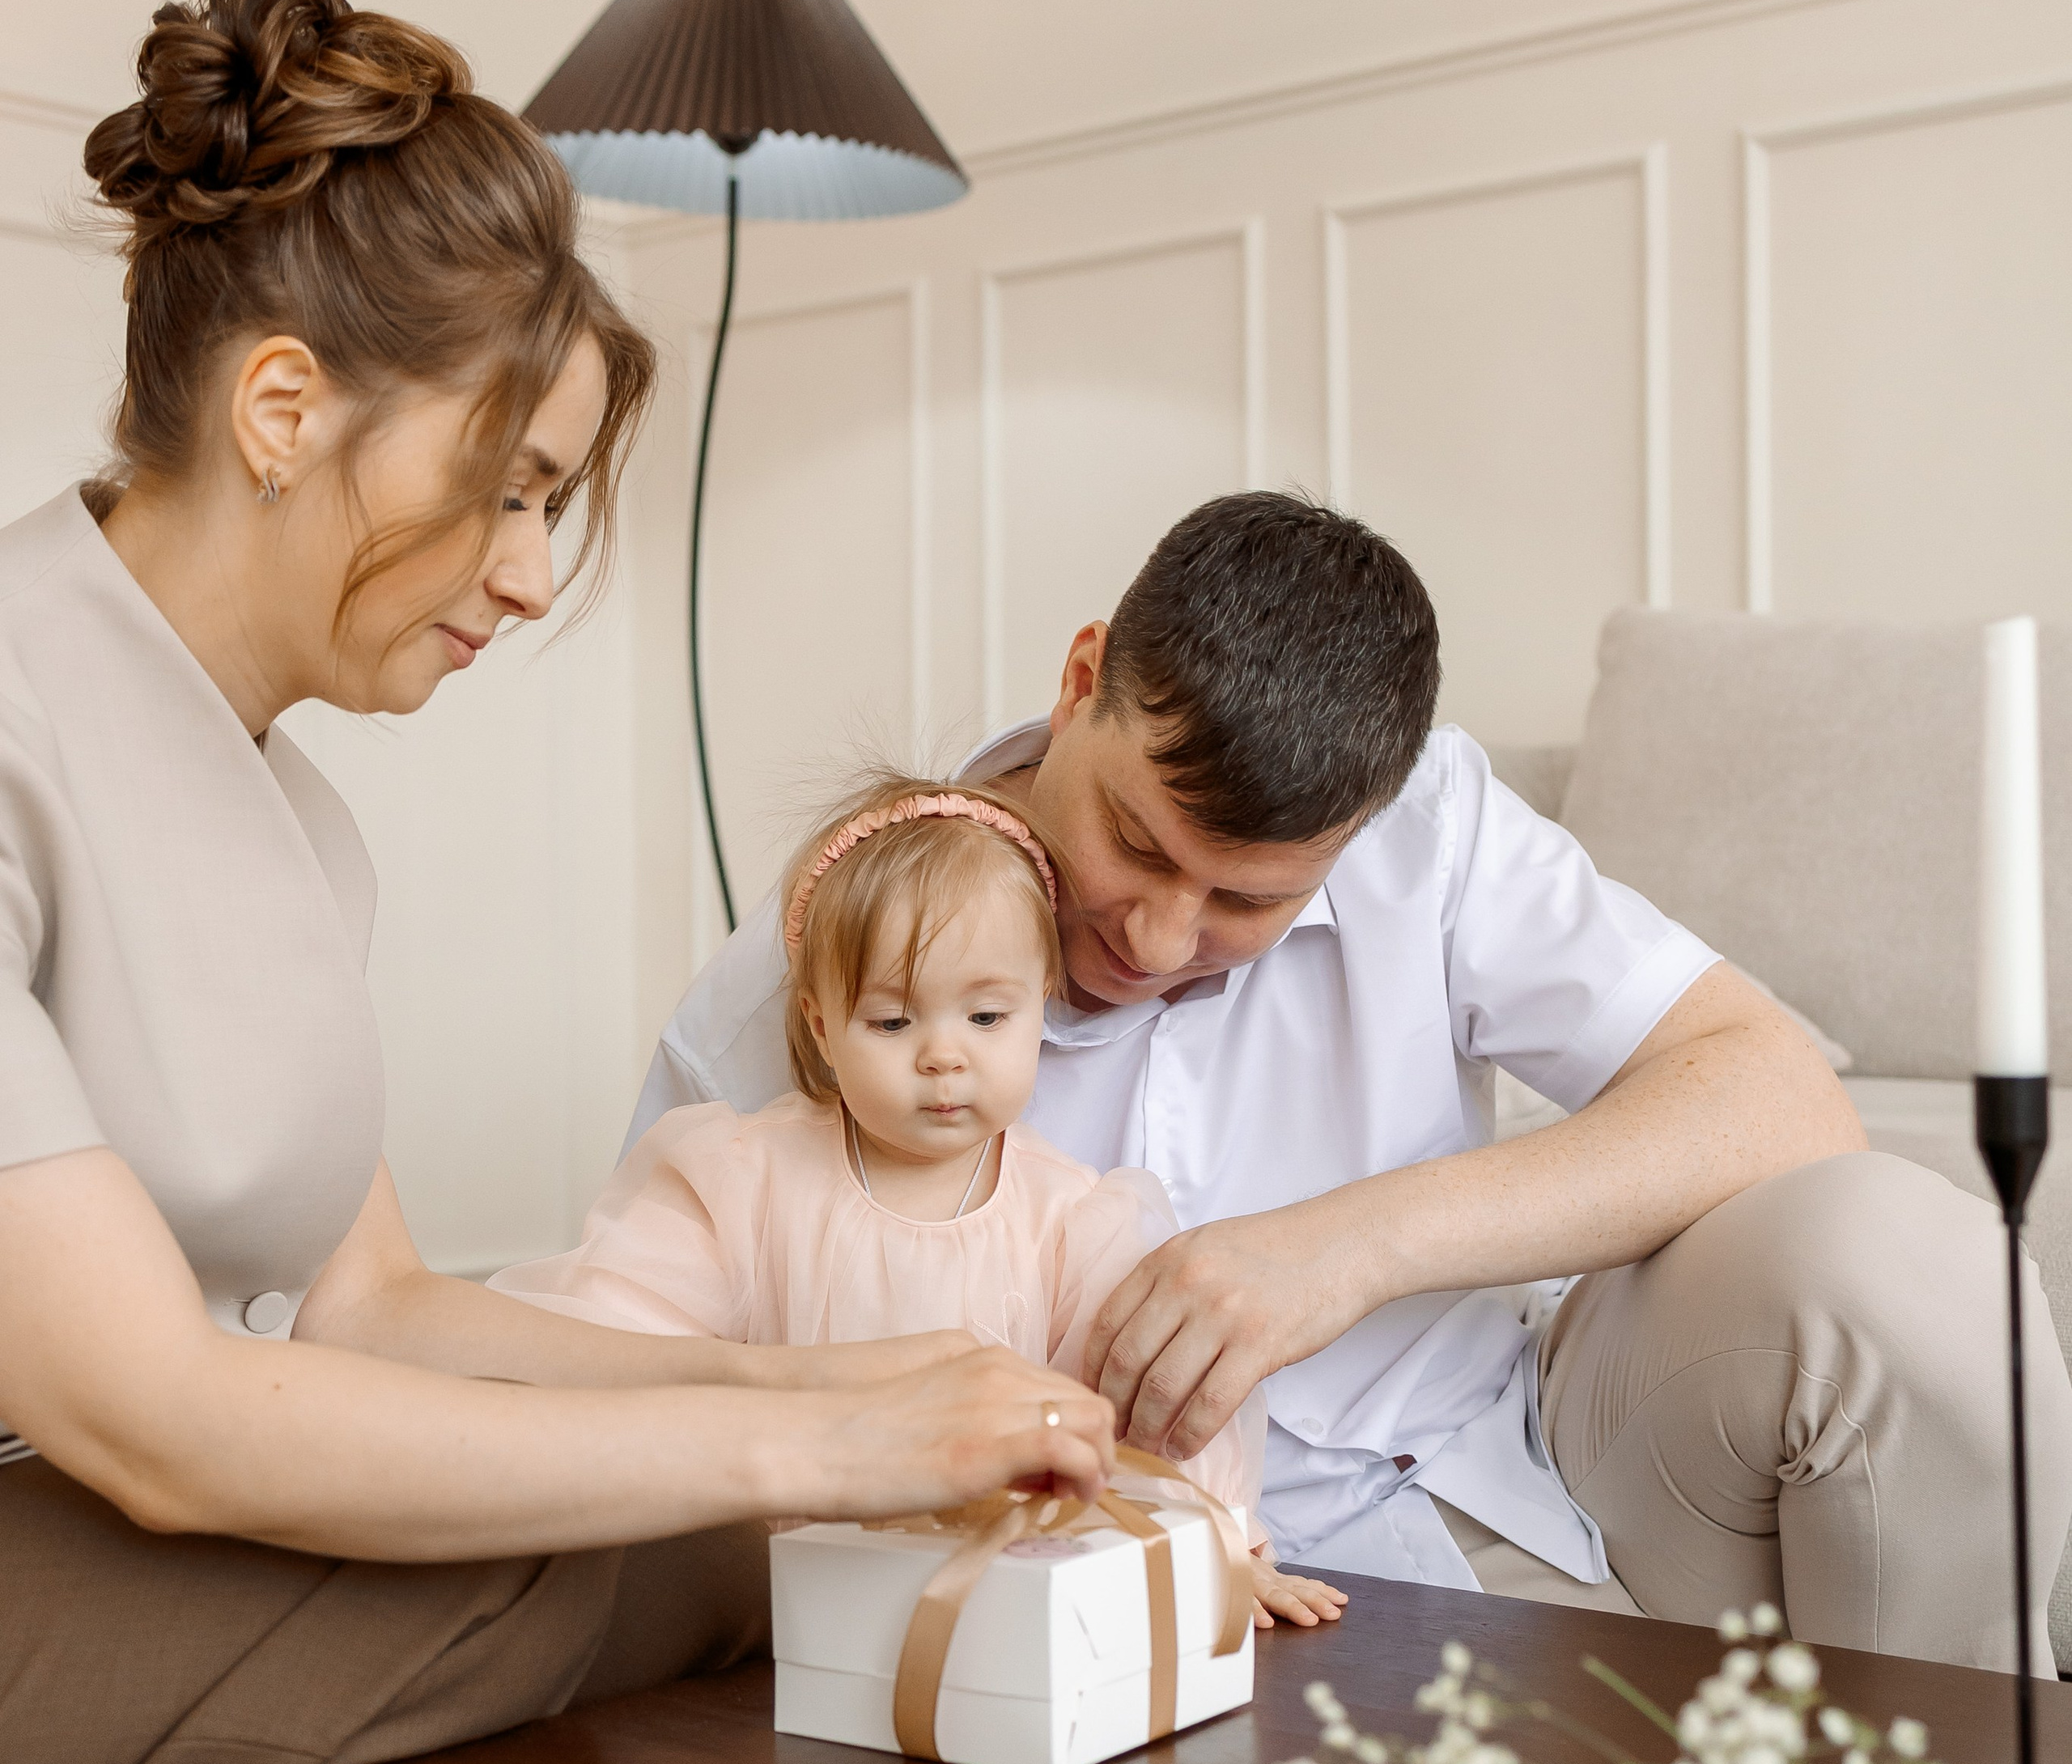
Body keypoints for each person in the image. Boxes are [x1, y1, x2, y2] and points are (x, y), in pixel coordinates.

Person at [0, 0, 1111, 1764]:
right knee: (698, 1542)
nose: (525, 574)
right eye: (507, 490)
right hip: (71, 1516)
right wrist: (819, 1451)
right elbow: (160, 1416)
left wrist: (818, 1379)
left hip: (104, 1513)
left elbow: (377, 1307)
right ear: (282, 404)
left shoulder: (295, 815)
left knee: (707, 1529)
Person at [636, 492, 2072, 1676]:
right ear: (1082, 682)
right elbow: (648, 1381)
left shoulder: (1431, 829)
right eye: (1134, 843)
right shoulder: (824, 967)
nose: (1155, 939)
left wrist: (1348, 1247)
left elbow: (1777, 1096)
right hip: (1092, 1592)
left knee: (1907, 1252)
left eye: (1245, 901)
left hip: (1527, 1478)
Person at [493, 774, 1346, 1630]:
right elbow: (619, 1341)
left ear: (1038, 1001)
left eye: (985, 1017)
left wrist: (1217, 1544)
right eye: (894, 1023)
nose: (944, 1057)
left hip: (1000, 1604)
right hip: (770, 1601)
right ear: (823, 1026)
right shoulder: (740, 1177)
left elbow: (1150, 1418)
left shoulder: (1072, 1222)